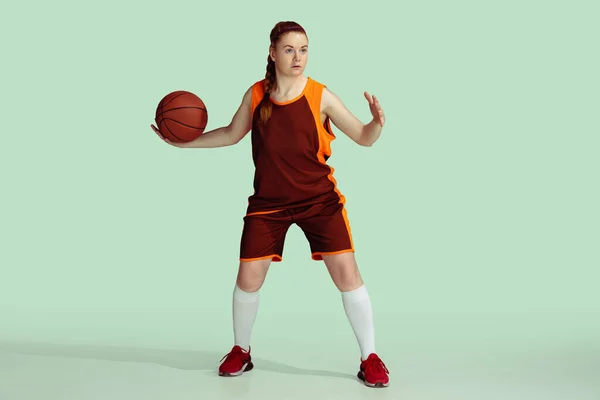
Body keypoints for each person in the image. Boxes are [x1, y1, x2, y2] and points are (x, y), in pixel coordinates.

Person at [151, 21, 389, 388]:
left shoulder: (320, 95)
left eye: (304, 49)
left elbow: (363, 137)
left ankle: (370, 357)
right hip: (269, 203)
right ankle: (241, 351)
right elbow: (232, 134)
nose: (298, 57)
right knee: (248, 278)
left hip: (318, 201)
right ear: (273, 53)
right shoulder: (257, 94)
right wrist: (182, 144)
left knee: (347, 276)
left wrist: (375, 123)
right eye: (290, 49)